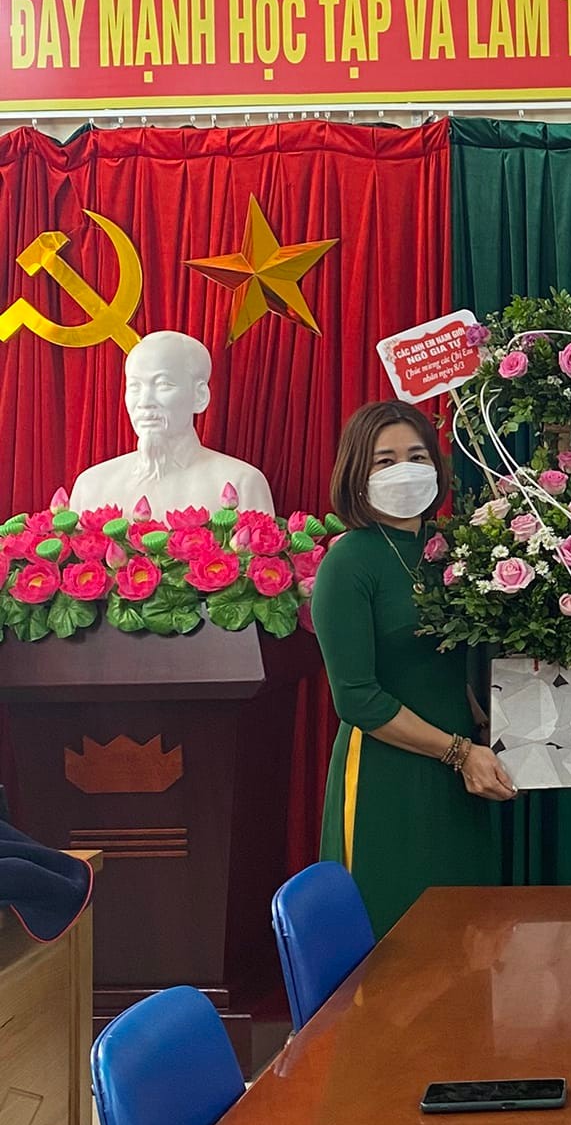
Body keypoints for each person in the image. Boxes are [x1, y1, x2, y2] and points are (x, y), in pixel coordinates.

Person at [313, 401, 512, 933]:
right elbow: (357, 698)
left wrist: (482, 721)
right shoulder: (348, 562)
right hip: (389, 771)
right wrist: (457, 751)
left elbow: (441, 657)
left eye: (417, 456)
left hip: (465, 770)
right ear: (357, 472)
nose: (404, 469)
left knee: (467, 932)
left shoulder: (452, 551)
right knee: (396, 935)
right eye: (385, 460)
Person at [71, 330, 275, 518]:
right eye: (134, 386)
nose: (144, 402)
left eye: (163, 384)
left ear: (200, 396)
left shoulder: (242, 484)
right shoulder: (92, 486)